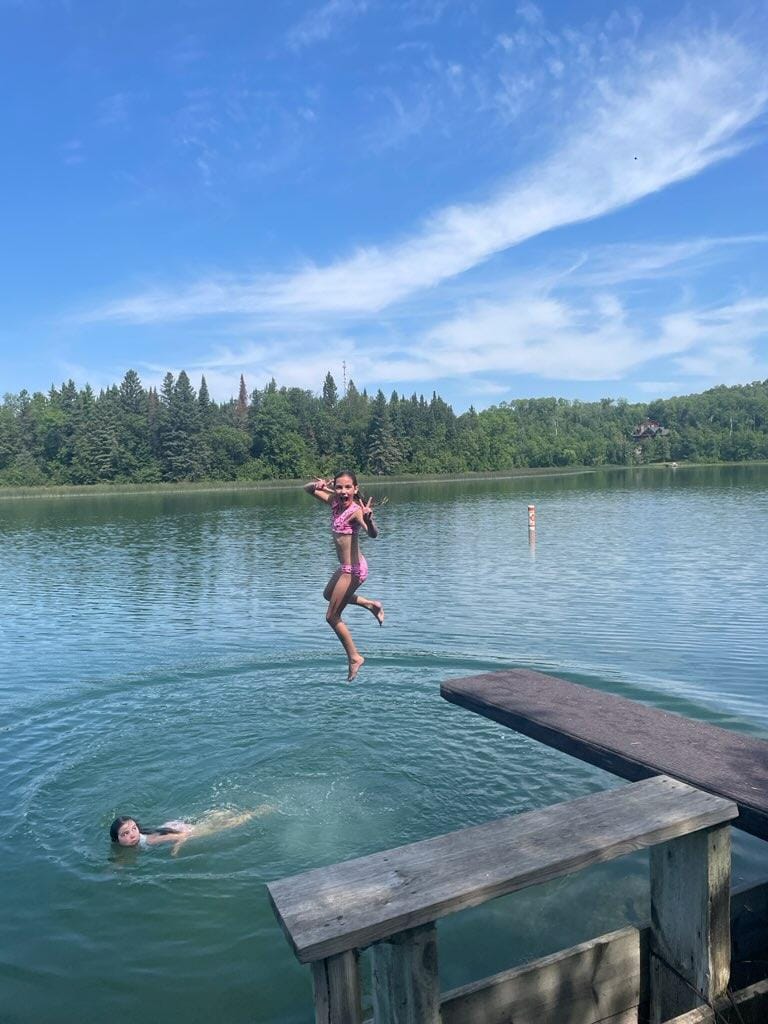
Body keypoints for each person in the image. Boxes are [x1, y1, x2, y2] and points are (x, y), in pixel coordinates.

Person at [304, 470, 384, 681]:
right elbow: (307, 489)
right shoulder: (334, 503)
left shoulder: (356, 511)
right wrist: (320, 485)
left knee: (331, 616)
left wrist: (369, 519)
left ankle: (354, 657)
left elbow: (373, 534)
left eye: (348, 487)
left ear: (355, 489)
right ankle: (371, 605)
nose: (343, 491)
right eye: (339, 487)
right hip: (345, 568)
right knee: (327, 595)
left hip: (354, 570)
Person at [109, 807, 269, 855]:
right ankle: (223, 812)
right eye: (125, 834)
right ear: (116, 840)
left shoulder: (148, 840)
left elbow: (182, 836)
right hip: (171, 825)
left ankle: (256, 813)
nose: (132, 835)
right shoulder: (137, 840)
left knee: (224, 826)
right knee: (217, 819)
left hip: (181, 830)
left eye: (133, 829)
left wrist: (176, 847)